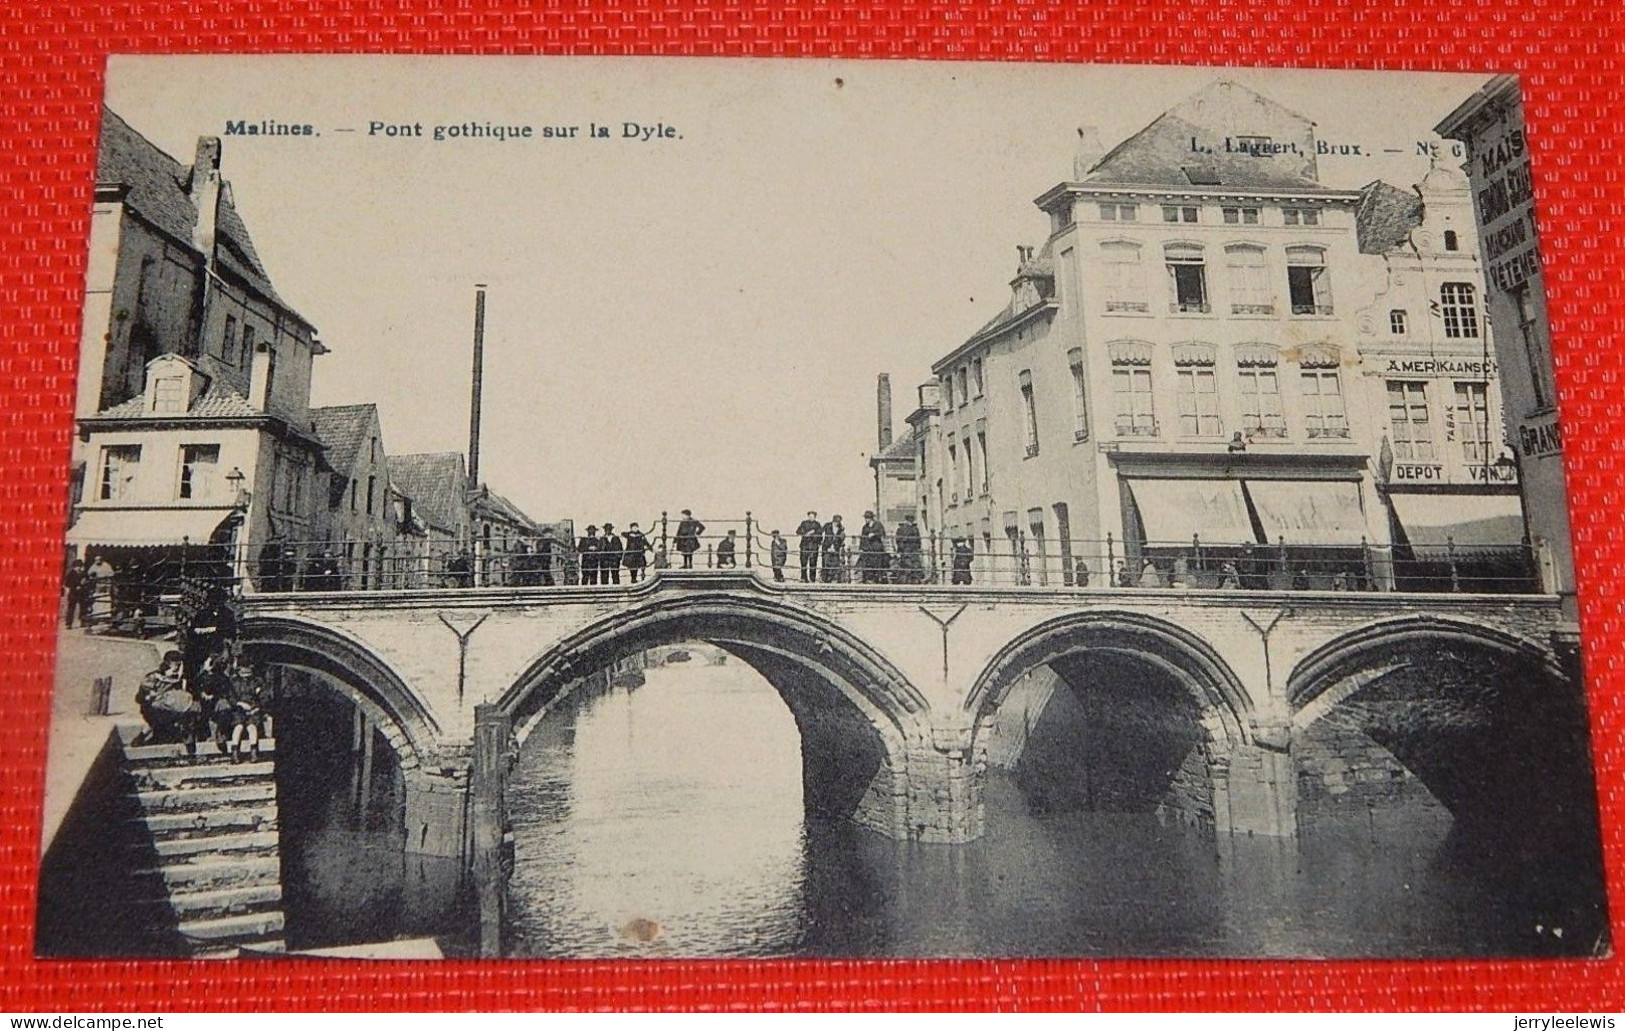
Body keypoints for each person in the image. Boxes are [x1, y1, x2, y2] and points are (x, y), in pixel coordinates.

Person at [137, 650, 200, 747]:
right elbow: (139, 698)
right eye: (176, 664)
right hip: (154, 708)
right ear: (167, 663)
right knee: (157, 719)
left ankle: (186, 738)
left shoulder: (180, 678)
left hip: (173, 707)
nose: (178, 667)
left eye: (179, 664)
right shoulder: (154, 677)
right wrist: (149, 696)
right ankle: (142, 738)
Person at [858, 511, 888, 584]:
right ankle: (869, 578)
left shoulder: (878, 525)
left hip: (876, 548)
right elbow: (863, 538)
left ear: (871, 518)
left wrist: (874, 534)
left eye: (867, 518)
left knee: (877, 564)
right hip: (868, 548)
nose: (866, 520)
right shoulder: (865, 527)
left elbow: (882, 533)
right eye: (865, 518)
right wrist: (861, 548)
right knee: (868, 563)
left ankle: (878, 578)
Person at [86, 556, 115, 630]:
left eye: (99, 560)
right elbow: (89, 573)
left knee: (105, 600)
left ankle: (105, 618)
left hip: (105, 585)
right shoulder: (94, 566)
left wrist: (104, 575)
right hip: (98, 586)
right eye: (96, 560)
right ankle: (97, 617)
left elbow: (112, 574)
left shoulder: (106, 565)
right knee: (97, 600)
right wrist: (94, 575)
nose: (97, 561)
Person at [795, 511, 823, 583]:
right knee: (803, 562)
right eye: (810, 516)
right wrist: (805, 533)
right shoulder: (804, 523)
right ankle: (803, 578)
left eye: (812, 516)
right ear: (808, 516)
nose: (811, 517)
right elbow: (798, 531)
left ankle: (812, 578)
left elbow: (820, 534)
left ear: (815, 517)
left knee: (813, 563)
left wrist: (813, 535)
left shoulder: (817, 524)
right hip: (804, 546)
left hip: (813, 546)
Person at [62, 559, 90, 629]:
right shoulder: (71, 574)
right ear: (74, 567)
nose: (79, 568)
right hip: (73, 593)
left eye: (80, 566)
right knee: (71, 609)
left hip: (82, 593)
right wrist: (75, 586)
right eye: (77, 566)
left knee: (83, 608)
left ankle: (83, 622)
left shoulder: (84, 573)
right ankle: (68, 624)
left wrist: (85, 583)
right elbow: (67, 583)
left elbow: (88, 581)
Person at [894, 515, 923, 584]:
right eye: (909, 521)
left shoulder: (915, 529)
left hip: (913, 549)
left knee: (915, 564)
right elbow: (898, 540)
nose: (911, 522)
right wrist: (902, 549)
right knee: (907, 564)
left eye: (911, 521)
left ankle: (915, 579)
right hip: (906, 549)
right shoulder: (902, 529)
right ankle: (907, 580)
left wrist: (918, 547)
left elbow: (918, 539)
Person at [820, 515, 845, 582]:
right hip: (827, 547)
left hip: (835, 548)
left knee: (835, 563)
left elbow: (841, 538)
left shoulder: (841, 528)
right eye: (835, 522)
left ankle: (832, 578)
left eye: (838, 522)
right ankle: (825, 579)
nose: (837, 523)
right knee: (825, 563)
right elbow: (820, 532)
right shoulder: (827, 525)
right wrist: (821, 542)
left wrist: (841, 542)